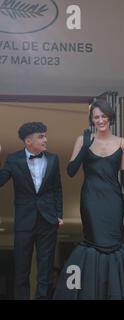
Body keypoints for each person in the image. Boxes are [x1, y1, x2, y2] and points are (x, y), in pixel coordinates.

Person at [53, 100, 124, 299]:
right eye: (96, 117)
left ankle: (114, 292)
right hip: (91, 199)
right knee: (94, 243)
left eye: (103, 116)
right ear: (92, 119)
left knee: (114, 244)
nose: (100, 120)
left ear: (110, 118)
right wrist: (85, 146)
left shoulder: (122, 142)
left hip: (113, 199)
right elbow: (71, 171)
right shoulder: (83, 140)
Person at [0, 122, 63, 299]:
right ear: (28, 141)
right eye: (41, 136)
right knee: (21, 271)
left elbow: (57, 188)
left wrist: (59, 214)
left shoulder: (53, 158)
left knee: (45, 271)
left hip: (48, 221)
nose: (46, 139)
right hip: (24, 222)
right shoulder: (13, 159)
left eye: (45, 135)